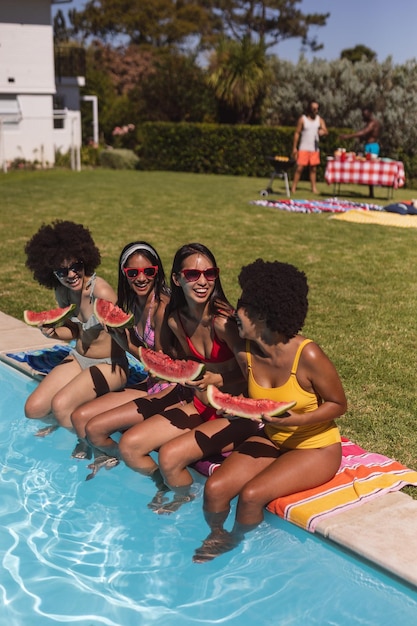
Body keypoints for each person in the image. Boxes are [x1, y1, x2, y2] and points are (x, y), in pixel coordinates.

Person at [188, 259, 347, 562]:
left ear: (260, 315)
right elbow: (244, 398)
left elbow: (339, 404)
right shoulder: (247, 352)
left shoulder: (307, 354)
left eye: (241, 309)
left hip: (315, 448)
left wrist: (298, 420)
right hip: (273, 439)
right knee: (216, 487)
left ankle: (239, 544)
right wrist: (223, 402)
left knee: (251, 495)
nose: (236, 315)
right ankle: (216, 533)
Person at [118, 242, 258, 510]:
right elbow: (182, 364)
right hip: (199, 405)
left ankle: (186, 503)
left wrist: (216, 378)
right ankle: (176, 490)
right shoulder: (176, 321)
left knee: (169, 456)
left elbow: (253, 375)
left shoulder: (224, 323)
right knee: (129, 446)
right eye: (193, 275)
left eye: (210, 273)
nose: (203, 281)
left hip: (238, 414)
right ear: (177, 279)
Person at [70, 241, 178, 474]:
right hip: (153, 383)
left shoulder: (162, 307)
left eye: (148, 271)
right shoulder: (134, 303)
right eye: (133, 272)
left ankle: (160, 483)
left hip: (173, 389)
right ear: (124, 274)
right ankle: (117, 460)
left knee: (97, 428)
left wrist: (124, 342)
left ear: (157, 272)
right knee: (80, 416)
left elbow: (157, 364)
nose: (141, 278)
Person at [23, 220, 129, 438]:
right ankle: (68, 428)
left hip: (110, 365)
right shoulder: (62, 292)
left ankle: (95, 446)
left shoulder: (102, 292)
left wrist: (117, 330)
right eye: (62, 271)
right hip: (79, 358)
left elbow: (126, 334)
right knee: (33, 409)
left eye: (76, 266)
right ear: (51, 273)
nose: (71, 275)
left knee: (61, 405)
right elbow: (73, 330)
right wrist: (52, 332)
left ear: (86, 261)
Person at [291, 100, 328, 194]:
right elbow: (297, 133)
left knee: (313, 169)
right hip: (304, 147)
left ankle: (313, 188)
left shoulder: (319, 120)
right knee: (299, 168)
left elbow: (326, 130)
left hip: (314, 149)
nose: (316, 110)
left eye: (317, 109)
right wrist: (294, 147)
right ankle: (293, 187)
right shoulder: (303, 119)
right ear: (310, 109)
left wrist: (322, 132)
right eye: (314, 108)